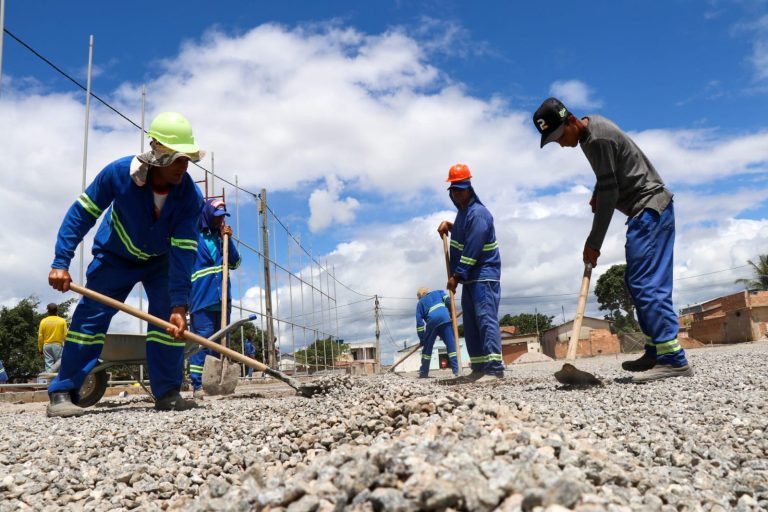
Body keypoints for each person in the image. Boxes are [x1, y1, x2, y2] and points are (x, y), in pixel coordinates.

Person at [47, 112, 205, 417]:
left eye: (187, 159)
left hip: (161, 261)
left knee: (167, 325)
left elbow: (185, 250)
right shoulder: (119, 173)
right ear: (157, 152)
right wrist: (61, 261)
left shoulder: (189, 196)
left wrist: (179, 304)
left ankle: (168, 392)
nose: (184, 167)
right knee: (89, 323)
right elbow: (82, 214)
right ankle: (63, 391)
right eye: (177, 159)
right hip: (115, 257)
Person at [533, 97, 693, 382]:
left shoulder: (596, 140)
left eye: (559, 135)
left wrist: (593, 242)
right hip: (646, 211)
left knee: (647, 284)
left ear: (570, 121)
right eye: (552, 139)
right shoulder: (591, 131)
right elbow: (609, 173)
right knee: (636, 282)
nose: (559, 143)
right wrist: (598, 189)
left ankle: (674, 359)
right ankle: (656, 350)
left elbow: (610, 193)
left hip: (649, 210)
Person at [437, 164, 504, 382]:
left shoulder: (479, 214)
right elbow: (465, 232)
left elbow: (472, 250)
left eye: (460, 190)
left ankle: (494, 369)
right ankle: (478, 367)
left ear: (469, 189)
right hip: (471, 279)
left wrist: (456, 276)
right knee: (472, 324)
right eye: (453, 191)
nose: (457, 194)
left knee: (485, 320)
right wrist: (451, 226)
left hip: (483, 276)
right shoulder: (464, 214)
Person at [188, 199, 241, 398]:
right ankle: (197, 384)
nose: (220, 222)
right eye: (216, 218)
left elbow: (235, 263)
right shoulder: (194, 237)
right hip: (201, 297)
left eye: (222, 219)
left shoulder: (221, 239)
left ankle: (216, 382)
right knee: (202, 340)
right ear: (208, 216)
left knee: (220, 340)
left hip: (222, 298)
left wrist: (228, 239)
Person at [415, 287, 460, 378]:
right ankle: (456, 371)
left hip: (432, 322)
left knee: (427, 349)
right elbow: (448, 301)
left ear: (419, 296)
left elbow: (419, 323)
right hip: (445, 318)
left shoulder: (420, 303)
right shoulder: (438, 292)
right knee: (451, 344)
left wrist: (422, 339)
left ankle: (423, 373)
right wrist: (451, 315)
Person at [38, 303, 67, 373]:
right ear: (57, 310)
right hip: (58, 346)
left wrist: (40, 349)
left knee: (49, 366)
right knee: (59, 365)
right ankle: (58, 382)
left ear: (48, 311)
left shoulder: (43, 321)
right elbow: (66, 335)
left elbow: (40, 337)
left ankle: (49, 382)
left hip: (46, 346)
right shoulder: (62, 321)